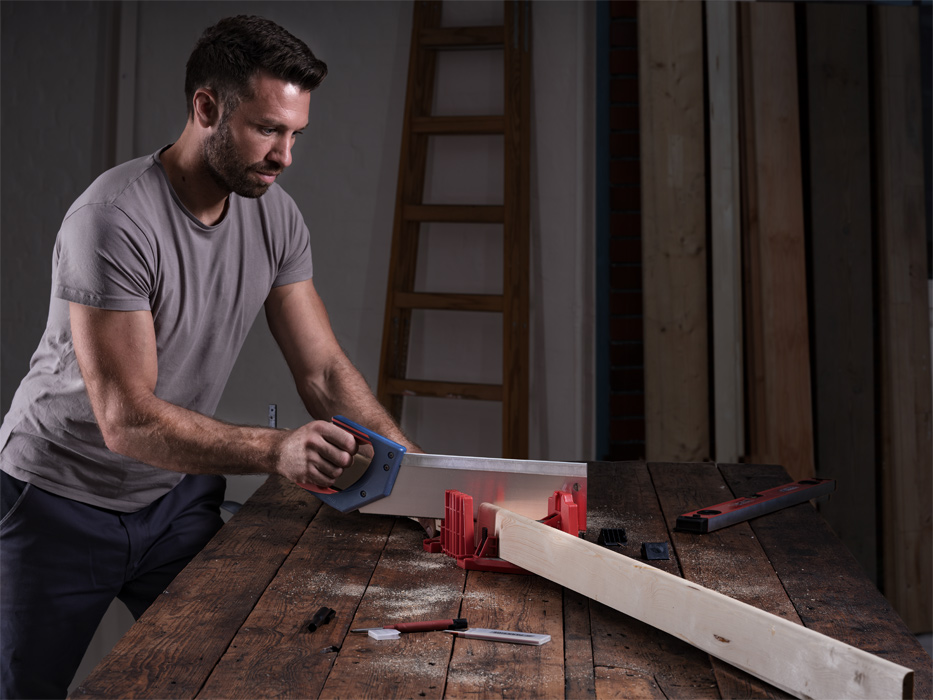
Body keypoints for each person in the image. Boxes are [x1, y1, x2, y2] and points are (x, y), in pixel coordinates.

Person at [0, 15, 415, 699]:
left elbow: (322, 372)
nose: (285, 155)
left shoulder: (274, 216)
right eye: (266, 129)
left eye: (294, 134)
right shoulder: (112, 221)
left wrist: (413, 471)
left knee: (236, 673)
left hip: (172, 500)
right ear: (206, 108)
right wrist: (277, 450)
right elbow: (125, 421)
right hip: (58, 502)